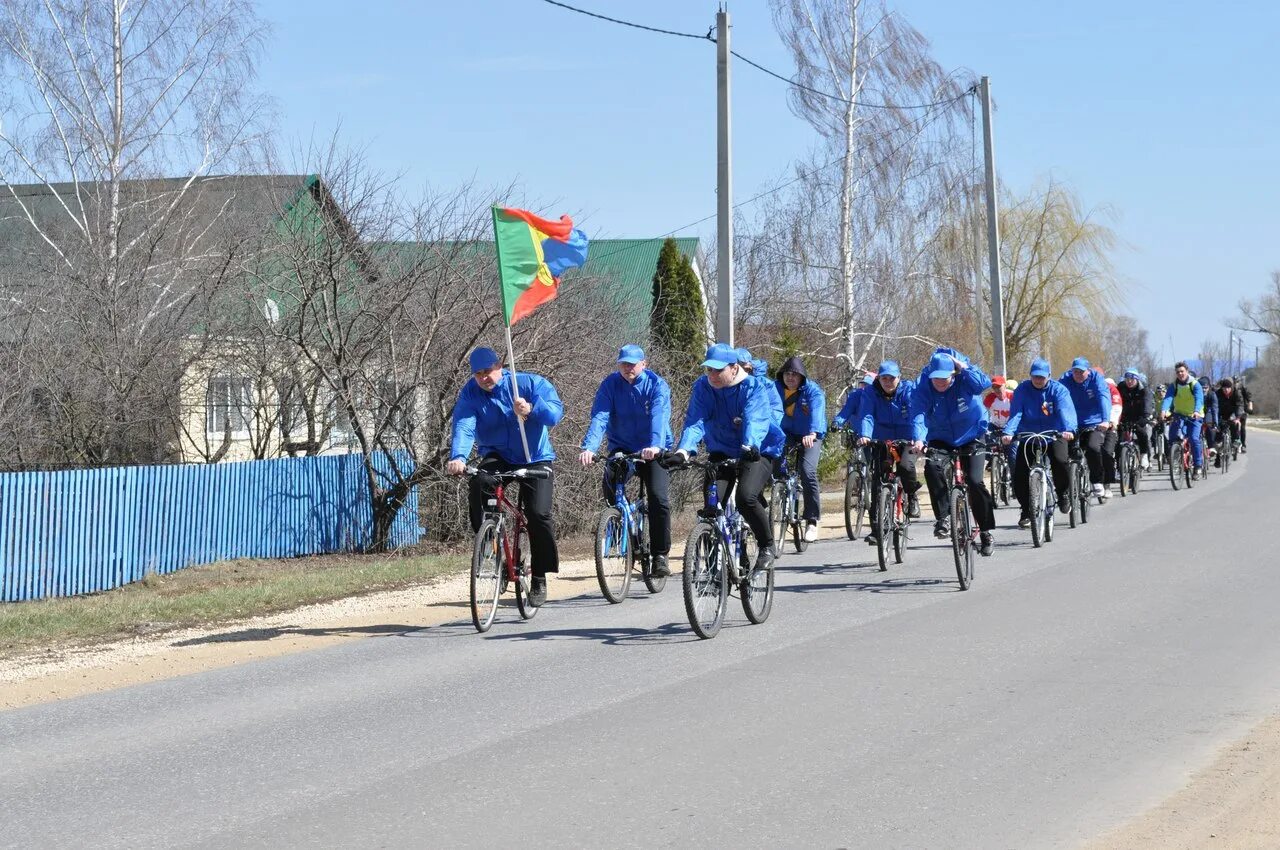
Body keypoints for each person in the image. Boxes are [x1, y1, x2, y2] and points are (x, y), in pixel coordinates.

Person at [447, 347, 564, 606]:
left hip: (534, 457)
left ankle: (539, 576)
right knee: (479, 482)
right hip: (498, 455)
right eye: (478, 374)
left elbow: (555, 414)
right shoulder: (471, 392)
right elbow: (464, 425)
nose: (483, 378)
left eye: (487, 371)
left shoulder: (528, 383)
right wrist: (459, 457)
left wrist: (531, 408)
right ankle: (490, 549)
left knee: (538, 514)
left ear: (499, 367)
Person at [673, 343, 786, 570]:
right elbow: (695, 421)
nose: (712, 375)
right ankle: (715, 570)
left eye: (718, 370)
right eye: (709, 370)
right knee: (711, 508)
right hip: (722, 449)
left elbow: (755, 419)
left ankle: (766, 545)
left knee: (746, 498)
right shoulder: (703, 387)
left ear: (734, 368)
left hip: (758, 450)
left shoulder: (753, 387)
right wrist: (683, 451)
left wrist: (751, 444)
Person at [578, 345, 675, 577]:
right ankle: (619, 527)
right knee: (610, 481)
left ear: (644, 364)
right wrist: (589, 447)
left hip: (653, 448)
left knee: (658, 498)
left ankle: (660, 555)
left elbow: (659, 415)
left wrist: (655, 445)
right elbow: (600, 417)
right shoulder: (610, 384)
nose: (627, 368)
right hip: (622, 446)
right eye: (623, 363)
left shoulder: (656, 385)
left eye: (632, 364)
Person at [915, 349, 997, 555]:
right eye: (936, 378)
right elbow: (918, 413)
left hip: (972, 434)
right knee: (932, 467)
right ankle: (943, 518)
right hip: (940, 436)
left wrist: (963, 367)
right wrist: (918, 438)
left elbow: (984, 384)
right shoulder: (924, 385)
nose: (940, 382)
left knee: (975, 481)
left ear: (953, 374)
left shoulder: (965, 379)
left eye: (944, 378)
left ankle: (985, 531)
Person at [1001, 358, 1077, 528]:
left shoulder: (1058, 390)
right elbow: (1016, 413)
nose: (1038, 380)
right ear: (1030, 376)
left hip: (1054, 434)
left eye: (1042, 377)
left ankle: (1063, 493)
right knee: (1020, 474)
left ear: (1049, 376)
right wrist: (1009, 432)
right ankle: (1026, 510)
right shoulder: (1022, 390)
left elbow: (1065, 411)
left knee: (1060, 461)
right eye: (1035, 376)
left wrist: (1068, 430)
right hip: (1029, 435)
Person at [857, 360, 925, 544]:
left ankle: (912, 496)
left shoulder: (908, 391)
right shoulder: (870, 392)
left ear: (899, 378)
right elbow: (867, 415)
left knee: (906, 466)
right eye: (884, 378)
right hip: (882, 437)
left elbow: (916, 415)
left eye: (891, 378)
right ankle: (876, 530)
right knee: (877, 482)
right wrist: (865, 435)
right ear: (878, 378)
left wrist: (917, 438)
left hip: (908, 436)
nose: (888, 382)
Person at [774, 355, 827, 542]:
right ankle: (781, 491)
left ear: (802, 377)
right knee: (773, 461)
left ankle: (812, 520)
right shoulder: (775, 388)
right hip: (786, 433)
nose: (790, 378)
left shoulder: (812, 391)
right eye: (787, 374)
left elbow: (817, 411)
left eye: (794, 375)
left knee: (807, 471)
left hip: (810, 434)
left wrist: (813, 432)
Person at [1058, 357, 1114, 500]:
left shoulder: (1097, 379)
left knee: (1093, 447)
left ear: (1088, 371)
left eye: (1081, 372)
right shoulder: (1065, 380)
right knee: (1062, 453)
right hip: (1071, 423)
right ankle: (1066, 486)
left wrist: (1105, 420)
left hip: (1094, 422)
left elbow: (1104, 398)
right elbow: (1057, 398)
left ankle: (1097, 481)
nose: (1077, 374)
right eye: (1075, 371)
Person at [1160, 361, 1205, 477]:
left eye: (1182, 371)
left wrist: (1196, 411)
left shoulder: (1195, 384)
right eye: (1178, 372)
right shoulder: (1174, 386)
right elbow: (1168, 398)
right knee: (1172, 436)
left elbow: (1199, 399)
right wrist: (1164, 410)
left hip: (1194, 416)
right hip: (1179, 415)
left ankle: (1198, 466)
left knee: (1194, 439)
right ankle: (1176, 458)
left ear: (1187, 371)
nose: (1180, 374)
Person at [1117, 367, 1154, 470]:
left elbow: (1147, 402)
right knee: (1119, 438)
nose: (1129, 381)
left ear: (1137, 379)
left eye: (1132, 379)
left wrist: (1146, 416)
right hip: (1125, 415)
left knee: (1142, 433)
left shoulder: (1143, 389)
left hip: (1139, 415)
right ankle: (1118, 463)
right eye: (1127, 379)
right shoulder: (1120, 387)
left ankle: (1144, 455)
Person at [1215, 378, 1243, 464]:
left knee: (1235, 424)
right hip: (1221, 413)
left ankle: (1235, 440)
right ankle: (1218, 456)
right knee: (1218, 429)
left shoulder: (1236, 393)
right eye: (1224, 388)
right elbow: (1214, 406)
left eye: (1228, 388)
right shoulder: (1218, 393)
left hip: (1233, 413)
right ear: (1222, 388)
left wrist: (1237, 418)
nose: (1226, 390)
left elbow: (1240, 405)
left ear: (1231, 387)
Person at [1198, 376, 1219, 467]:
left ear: (1209, 387)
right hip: (1198, 412)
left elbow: (1215, 409)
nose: (1204, 390)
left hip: (1209, 412)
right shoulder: (1195, 393)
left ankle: (1211, 447)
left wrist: (1215, 423)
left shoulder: (1212, 395)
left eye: (1206, 388)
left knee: (1210, 426)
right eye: (1201, 388)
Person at [1237, 378, 1253, 452]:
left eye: (1237, 382)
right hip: (1233, 410)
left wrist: (1250, 408)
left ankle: (1243, 445)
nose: (1236, 384)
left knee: (1242, 428)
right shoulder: (1230, 388)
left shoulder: (1242, 388)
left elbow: (1249, 398)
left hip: (1243, 409)